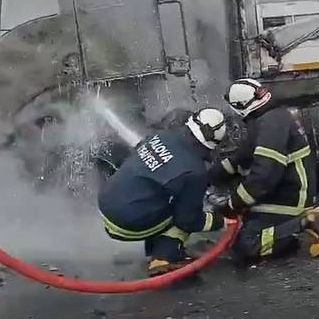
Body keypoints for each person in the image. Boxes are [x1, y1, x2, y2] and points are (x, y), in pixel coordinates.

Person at [98, 107, 229, 276]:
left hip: (106, 202)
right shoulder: (195, 171)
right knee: (186, 214)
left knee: (160, 196)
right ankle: (164, 256)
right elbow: (188, 220)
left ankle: (156, 245)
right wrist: (220, 221)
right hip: (125, 223)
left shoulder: (162, 135)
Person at [211, 78, 319, 263]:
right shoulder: (267, 117)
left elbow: (264, 177)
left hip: (289, 197)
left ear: (240, 106)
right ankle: (288, 234)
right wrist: (211, 176)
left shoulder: (270, 126)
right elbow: (242, 156)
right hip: (285, 187)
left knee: (246, 247)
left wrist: (234, 204)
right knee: (245, 231)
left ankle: (304, 223)